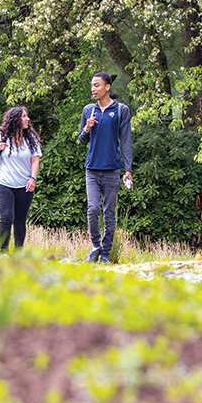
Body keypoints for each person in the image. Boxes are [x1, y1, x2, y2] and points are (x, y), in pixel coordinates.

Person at [77, 73, 132, 264]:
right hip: (92, 169)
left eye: (97, 85)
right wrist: (86, 129)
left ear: (107, 87)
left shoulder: (121, 110)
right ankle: (95, 246)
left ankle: (106, 256)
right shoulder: (88, 111)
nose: (93, 89)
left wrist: (128, 168)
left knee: (109, 213)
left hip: (112, 169)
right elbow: (81, 140)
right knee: (92, 209)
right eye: (92, 85)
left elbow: (125, 141)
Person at [0, 107, 42, 253]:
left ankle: (18, 254)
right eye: (24, 116)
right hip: (3, 183)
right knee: (6, 218)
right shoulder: (1, 135)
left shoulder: (31, 138)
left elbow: (35, 160)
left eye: (27, 116)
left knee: (20, 220)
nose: (27, 119)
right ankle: (3, 252)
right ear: (15, 119)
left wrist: (33, 178)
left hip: (24, 185)